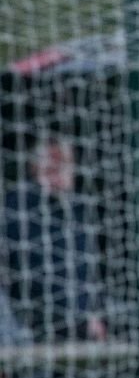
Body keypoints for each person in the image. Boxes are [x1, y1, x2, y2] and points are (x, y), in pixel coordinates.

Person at [3, 138, 107, 343]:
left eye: (65, 163)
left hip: (81, 320)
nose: (60, 172)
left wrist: (95, 314)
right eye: (52, 164)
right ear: (35, 168)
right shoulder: (18, 207)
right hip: (31, 323)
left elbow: (90, 274)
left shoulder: (78, 211)